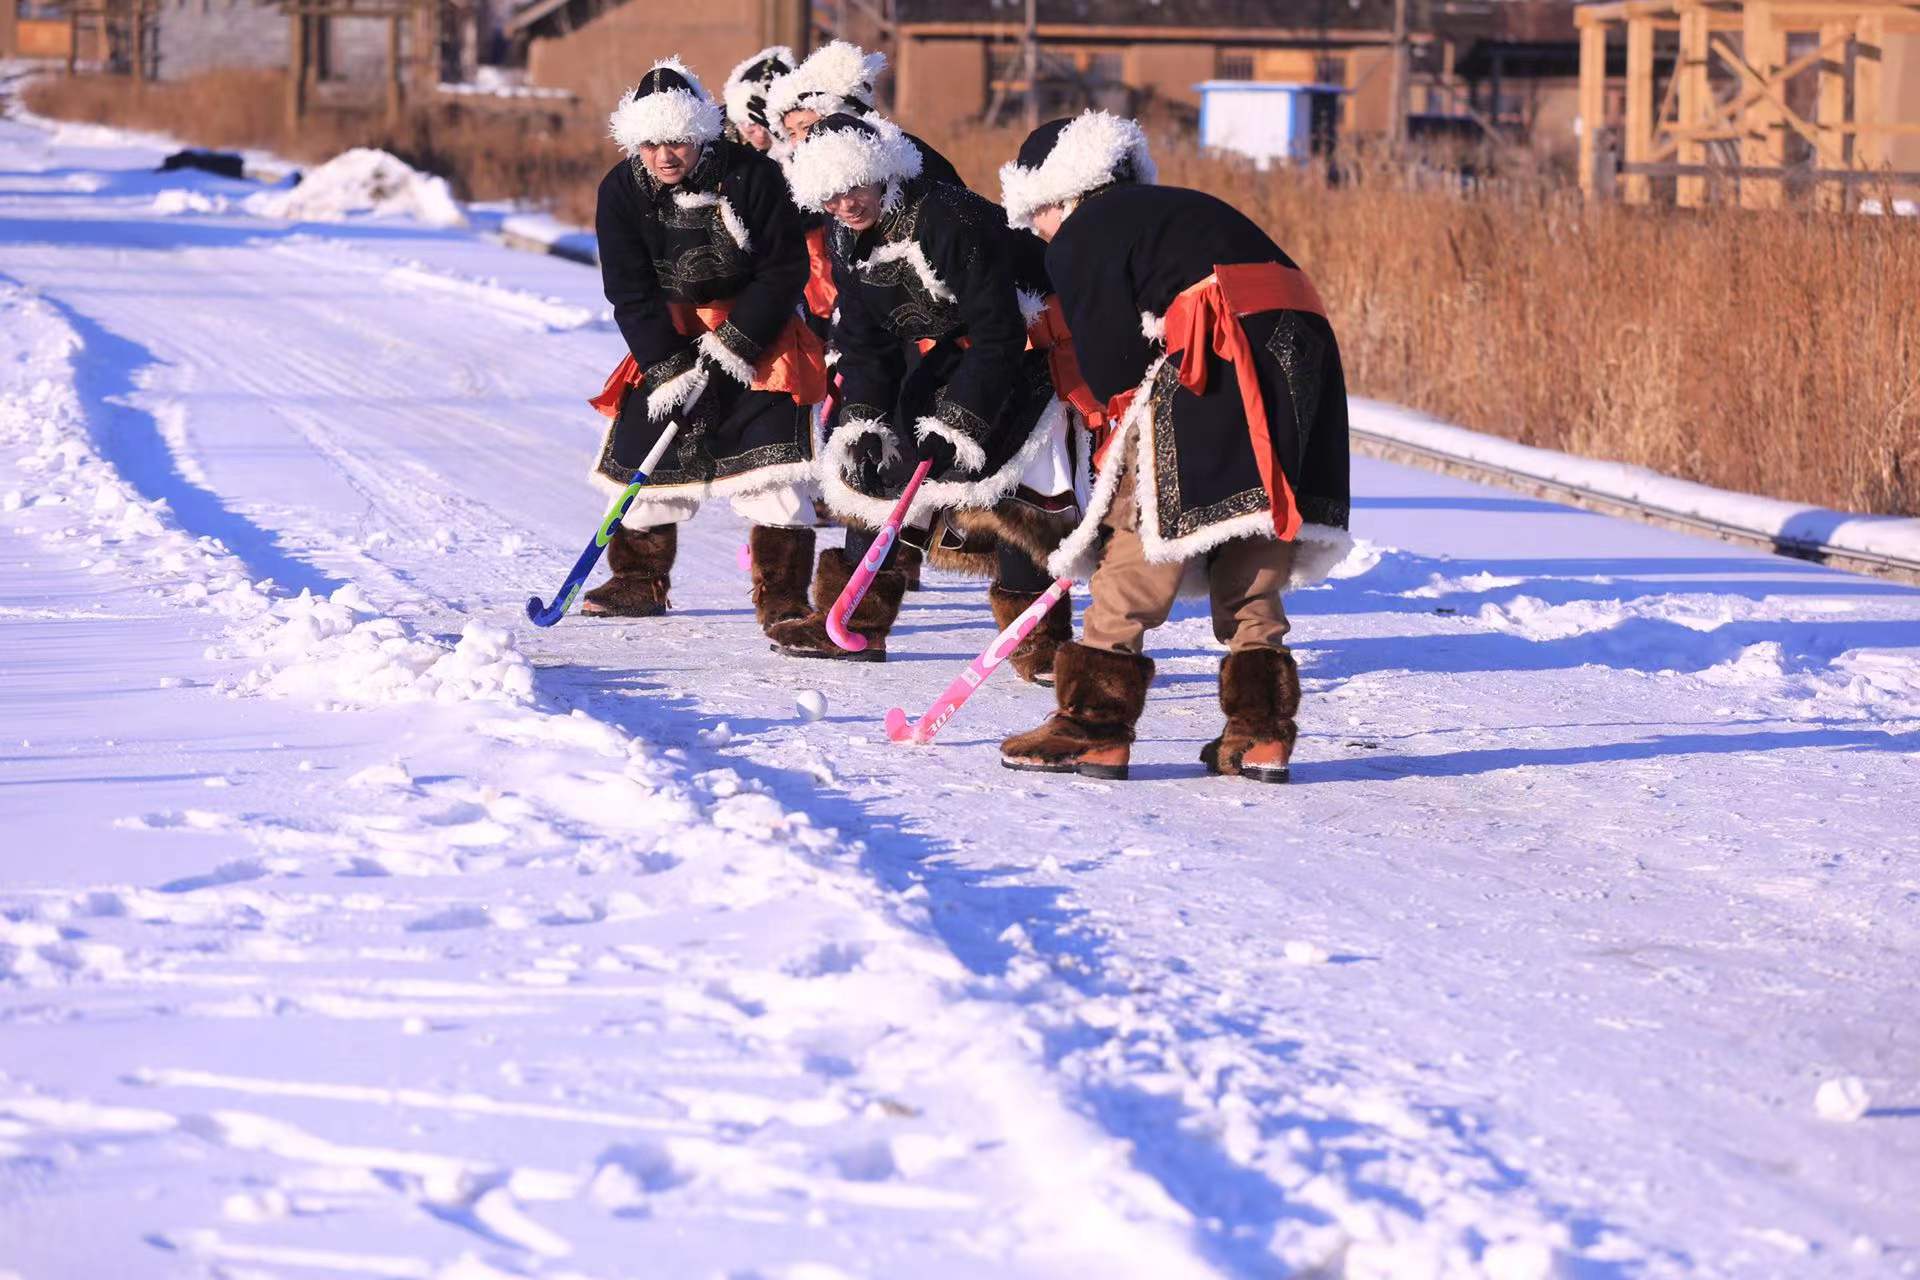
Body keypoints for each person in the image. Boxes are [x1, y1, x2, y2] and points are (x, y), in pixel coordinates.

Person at [995, 112, 1354, 782]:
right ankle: (1260, 732)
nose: (1038, 237)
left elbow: (1110, 370)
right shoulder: (1171, 209)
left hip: (1217, 347)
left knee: (1147, 516)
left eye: (1035, 219)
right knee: (1250, 519)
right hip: (1299, 352)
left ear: (1059, 199)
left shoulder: (1082, 235)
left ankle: (1092, 726)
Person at [768, 112, 1076, 670]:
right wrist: (863, 421)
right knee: (872, 465)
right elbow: (865, 343)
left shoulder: (944, 217)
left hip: (1027, 344)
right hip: (950, 350)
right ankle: (856, 619)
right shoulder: (846, 234)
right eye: (830, 197)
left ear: (881, 171)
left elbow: (998, 330)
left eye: (854, 188)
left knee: (1016, 490)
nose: (846, 205)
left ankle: (1040, 641)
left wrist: (960, 418)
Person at [582, 57, 828, 642]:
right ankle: (639, 579)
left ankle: (784, 596)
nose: (665, 157)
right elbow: (628, 288)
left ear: (702, 135)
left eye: (680, 143)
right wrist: (667, 368)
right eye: (651, 145)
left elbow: (784, 269)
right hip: (665, 333)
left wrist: (734, 345)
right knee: (646, 457)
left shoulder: (753, 177)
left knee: (774, 471)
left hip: (757, 330)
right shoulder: (620, 190)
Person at [761, 41, 962, 187]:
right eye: (792, 133)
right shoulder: (817, 173)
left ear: (840, 115)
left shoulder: (897, 153)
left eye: (805, 127)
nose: (798, 142)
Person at [720, 45, 795, 153]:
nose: (760, 134)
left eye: (768, 124)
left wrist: (785, 140)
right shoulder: (719, 133)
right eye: (752, 124)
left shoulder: (798, 138)